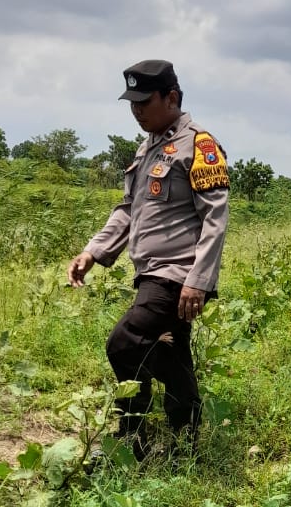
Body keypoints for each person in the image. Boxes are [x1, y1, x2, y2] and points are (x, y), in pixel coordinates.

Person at [68, 60, 229, 460]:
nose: (136, 110)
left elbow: (215, 217)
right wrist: (94, 251)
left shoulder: (200, 145)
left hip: (176, 275)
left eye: (144, 101)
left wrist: (198, 280)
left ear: (171, 98)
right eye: (131, 103)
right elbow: (128, 209)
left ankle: (131, 437)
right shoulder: (148, 148)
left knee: (124, 344)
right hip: (150, 273)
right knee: (171, 352)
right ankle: (183, 443)